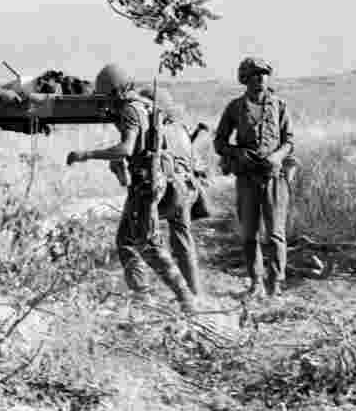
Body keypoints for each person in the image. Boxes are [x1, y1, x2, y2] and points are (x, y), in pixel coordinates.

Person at [66, 64, 200, 314]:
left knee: (149, 244)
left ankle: (185, 298)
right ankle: (142, 296)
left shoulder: (130, 110)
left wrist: (87, 154)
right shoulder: (144, 105)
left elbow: (127, 148)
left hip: (147, 184)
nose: (105, 102)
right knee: (126, 241)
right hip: (150, 180)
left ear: (115, 91)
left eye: (106, 95)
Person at [213, 57, 295, 299]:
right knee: (249, 233)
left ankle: (276, 283)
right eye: (255, 74)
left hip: (274, 178)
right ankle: (255, 281)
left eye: (263, 74)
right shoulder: (234, 108)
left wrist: (277, 157)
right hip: (247, 178)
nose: (260, 78)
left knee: (275, 234)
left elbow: (289, 141)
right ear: (245, 79)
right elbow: (219, 142)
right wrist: (238, 152)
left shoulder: (279, 105)